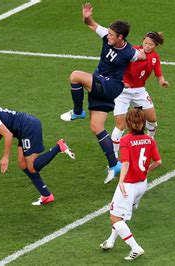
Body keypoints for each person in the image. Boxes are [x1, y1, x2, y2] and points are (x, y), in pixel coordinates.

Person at [59, 3, 145, 183]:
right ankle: (114, 165)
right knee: (96, 127)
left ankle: (77, 112)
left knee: (75, 76)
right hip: (101, 85)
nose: (108, 37)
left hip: (110, 86)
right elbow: (90, 23)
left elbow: (142, 56)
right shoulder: (107, 35)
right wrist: (86, 16)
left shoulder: (129, 52)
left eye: (112, 35)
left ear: (120, 37)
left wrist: (145, 51)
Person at [0, 90, 75, 206]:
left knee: (33, 167)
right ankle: (46, 195)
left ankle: (59, 147)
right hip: (24, 127)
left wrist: (5, 157)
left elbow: (9, 135)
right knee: (23, 164)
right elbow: (5, 121)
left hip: (28, 129)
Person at [100, 108, 161, 261]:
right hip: (142, 184)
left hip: (128, 185)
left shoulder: (125, 140)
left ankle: (135, 248)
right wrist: (145, 171)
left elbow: (125, 163)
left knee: (115, 218)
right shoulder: (149, 139)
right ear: (143, 124)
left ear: (128, 123)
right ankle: (110, 241)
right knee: (121, 213)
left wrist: (120, 182)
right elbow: (158, 162)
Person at [111, 32, 169, 161]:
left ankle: (150, 140)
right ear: (143, 41)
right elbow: (117, 65)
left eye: (151, 44)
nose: (147, 46)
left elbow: (158, 73)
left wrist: (162, 81)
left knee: (152, 119)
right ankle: (113, 157)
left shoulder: (154, 57)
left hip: (139, 92)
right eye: (146, 43)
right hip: (122, 92)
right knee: (120, 125)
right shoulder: (133, 52)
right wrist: (119, 81)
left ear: (155, 45)